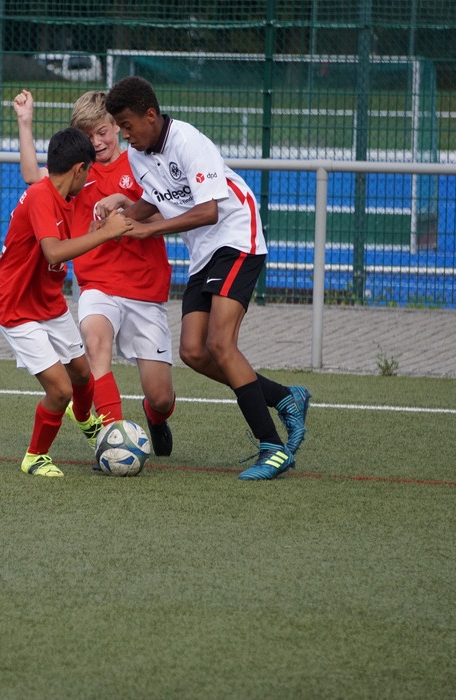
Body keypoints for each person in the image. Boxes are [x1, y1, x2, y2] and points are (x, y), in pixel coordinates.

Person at [101, 76, 311, 481]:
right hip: (205, 252)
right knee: (194, 351)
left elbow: (209, 211)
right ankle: (285, 397)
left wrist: (146, 230)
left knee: (219, 342)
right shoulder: (140, 155)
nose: (124, 135)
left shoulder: (189, 142)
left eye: (127, 125)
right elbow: (155, 199)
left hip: (236, 236)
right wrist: (124, 217)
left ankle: (272, 446)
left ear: (150, 115)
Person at [12, 89, 177, 458]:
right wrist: (25, 122)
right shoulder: (77, 170)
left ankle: (155, 416)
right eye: (87, 135)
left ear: (118, 128)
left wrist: (126, 204)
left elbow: (170, 212)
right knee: (95, 342)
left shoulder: (142, 163)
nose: (97, 142)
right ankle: (112, 437)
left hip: (145, 289)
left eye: (102, 131)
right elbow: (30, 175)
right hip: (97, 286)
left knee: (161, 396)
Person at [0, 126, 132, 477]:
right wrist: (108, 235)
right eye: (90, 170)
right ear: (79, 169)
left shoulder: (64, 197)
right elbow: (52, 250)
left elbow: (62, 246)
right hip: (17, 307)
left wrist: (98, 231)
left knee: (83, 374)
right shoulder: (41, 196)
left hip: (47, 300)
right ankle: (35, 456)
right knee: (61, 389)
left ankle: (85, 420)